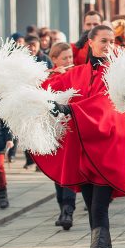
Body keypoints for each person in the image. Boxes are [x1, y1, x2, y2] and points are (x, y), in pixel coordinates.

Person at [33, 25, 125, 248]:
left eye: (112, 41)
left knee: (98, 208)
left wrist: (68, 108)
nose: (108, 45)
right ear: (90, 42)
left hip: (107, 150)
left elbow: (104, 106)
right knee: (93, 209)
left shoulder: (117, 75)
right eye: (103, 40)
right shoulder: (75, 73)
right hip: (82, 151)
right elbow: (45, 89)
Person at [48, 42, 77, 229]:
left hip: (71, 130)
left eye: (70, 57)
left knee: (69, 170)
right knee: (57, 172)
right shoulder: (48, 78)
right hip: (54, 131)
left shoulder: (75, 75)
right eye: (65, 58)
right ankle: (62, 207)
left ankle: (68, 210)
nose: (69, 61)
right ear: (54, 60)